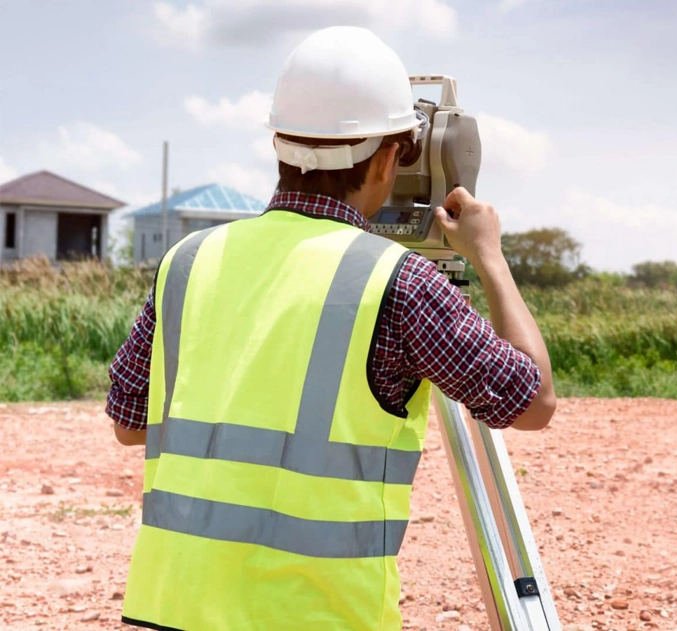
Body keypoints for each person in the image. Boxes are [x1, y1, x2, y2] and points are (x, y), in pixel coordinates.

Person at [105, 25, 556, 631]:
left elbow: (130, 425)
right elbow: (531, 403)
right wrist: (489, 258)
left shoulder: (187, 260)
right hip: (316, 617)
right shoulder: (397, 283)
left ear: (280, 142)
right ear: (394, 153)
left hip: (173, 608)